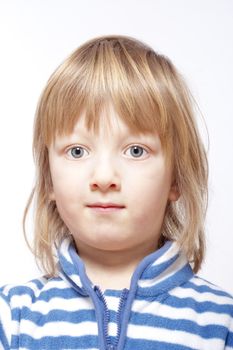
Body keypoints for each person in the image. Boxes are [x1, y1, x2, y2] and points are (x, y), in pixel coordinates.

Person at [0, 35, 232, 350]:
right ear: (49, 179)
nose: (105, 177)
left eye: (136, 150)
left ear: (175, 178)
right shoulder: (12, 316)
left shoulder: (220, 323)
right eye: (78, 151)